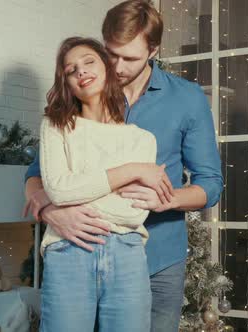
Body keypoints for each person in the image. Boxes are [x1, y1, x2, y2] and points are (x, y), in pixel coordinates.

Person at [24, 1, 223, 331]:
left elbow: (211, 184)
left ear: (153, 50)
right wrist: (51, 212)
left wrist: (168, 198)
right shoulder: (85, 91)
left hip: (158, 255)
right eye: (111, 53)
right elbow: (36, 174)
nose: (116, 66)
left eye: (129, 58)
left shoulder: (186, 98)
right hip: (81, 249)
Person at [33, 36, 172, 332]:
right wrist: (132, 170)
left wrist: (72, 200)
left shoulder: (142, 139)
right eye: (71, 70)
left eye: (88, 62)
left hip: (127, 255)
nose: (80, 71)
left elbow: (133, 211)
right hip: (68, 250)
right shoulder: (56, 126)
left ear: (107, 68)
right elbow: (59, 189)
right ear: (67, 83)